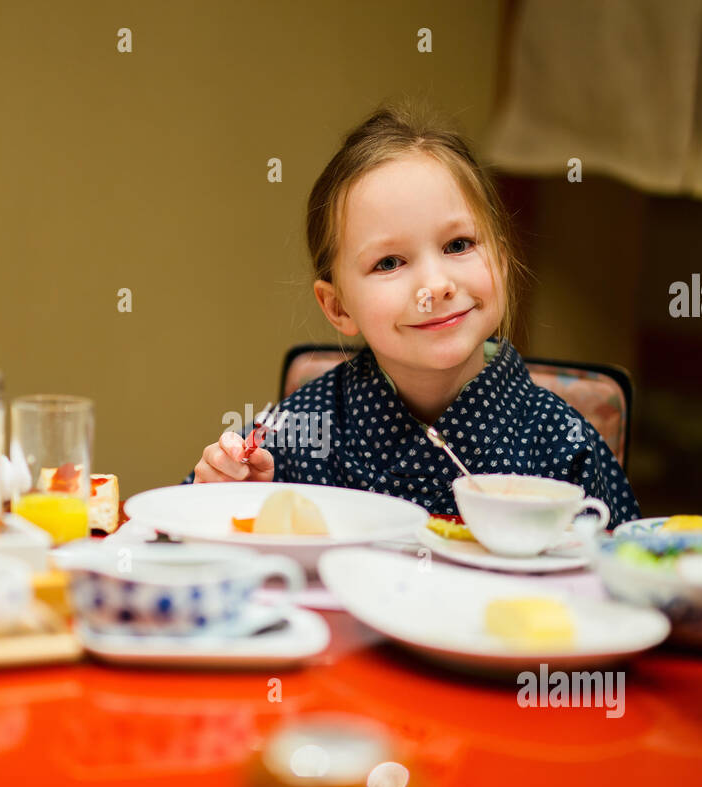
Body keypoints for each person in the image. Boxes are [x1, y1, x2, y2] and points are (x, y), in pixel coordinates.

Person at [189, 99, 640, 527]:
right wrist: (229, 492)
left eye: (458, 245)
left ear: (502, 262)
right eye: (389, 262)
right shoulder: (301, 430)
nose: (435, 287)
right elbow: (184, 530)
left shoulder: (564, 444)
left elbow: (627, 579)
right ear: (339, 306)